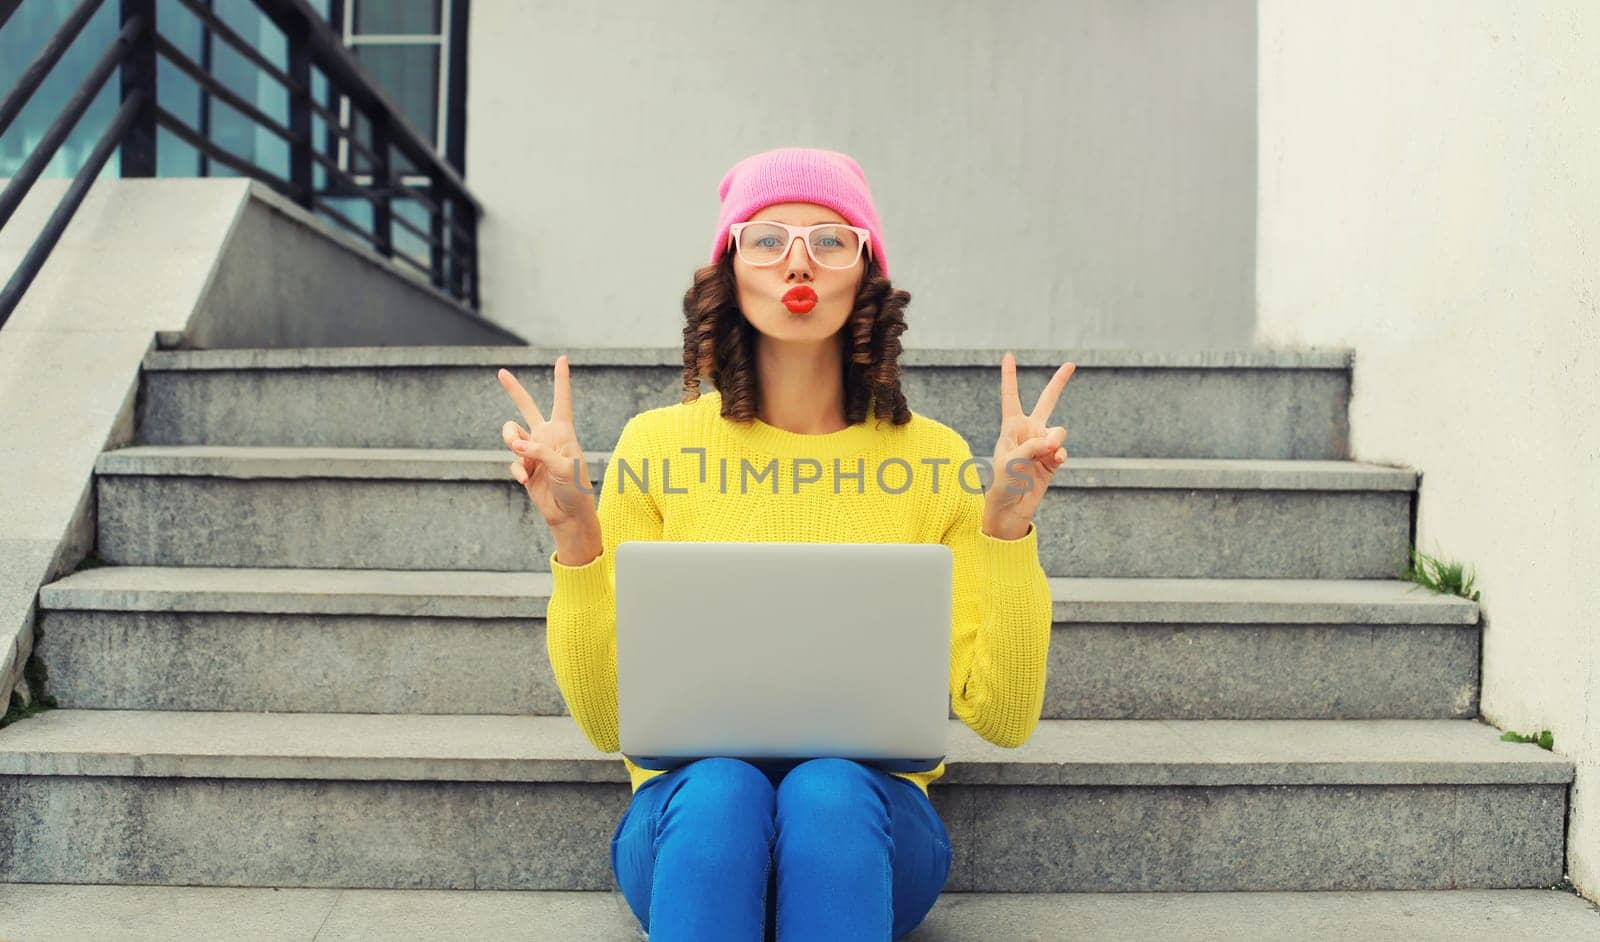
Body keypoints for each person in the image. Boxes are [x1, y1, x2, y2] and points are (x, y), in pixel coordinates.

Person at [496, 146, 1073, 941]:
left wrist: (1007, 530)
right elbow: (606, 723)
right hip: (685, 824)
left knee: (827, 791)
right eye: (766, 239)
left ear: (866, 273)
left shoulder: (934, 459)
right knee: (724, 792)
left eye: (830, 240)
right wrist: (575, 540)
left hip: (872, 831)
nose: (797, 261)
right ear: (728, 269)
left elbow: (1003, 716)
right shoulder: (656, 445)